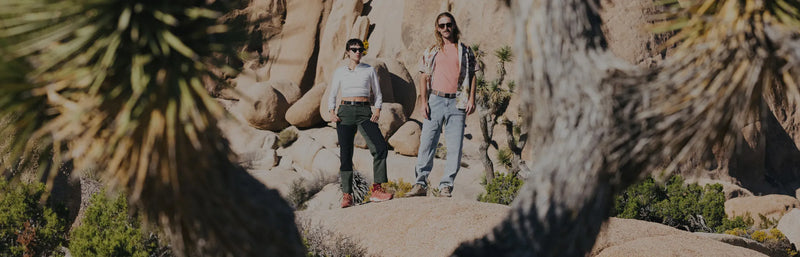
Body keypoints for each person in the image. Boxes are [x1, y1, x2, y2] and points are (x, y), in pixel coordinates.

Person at [407, 12, 477, 198]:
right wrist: (423, 103)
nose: (446, 28)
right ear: (437, 28)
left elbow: (473, 74)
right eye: (442, 25)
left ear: (454, 26)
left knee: (454, 147)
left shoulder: (465, 49)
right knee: (427, 143)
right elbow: (423, 76)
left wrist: (472, 99)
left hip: (458, 102)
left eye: (448, 24)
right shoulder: (432, 50)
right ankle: (420, 183)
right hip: (435, 100)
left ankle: (446, 185)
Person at [328, 38, 393, 208]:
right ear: (347, 52)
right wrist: (331, 111)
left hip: (365, 112)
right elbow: (333, 93)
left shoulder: (369, 70)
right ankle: (347, 195)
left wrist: (377, 109)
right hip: (345, 112)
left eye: (360, 49)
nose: (357, 52)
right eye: (354, 49)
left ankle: (377, 189)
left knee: (380, 147)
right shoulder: (340, 72)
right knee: (346, 154)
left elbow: (378, 93)